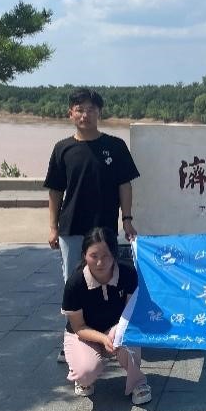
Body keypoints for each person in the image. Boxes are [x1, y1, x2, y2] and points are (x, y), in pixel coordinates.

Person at [44, 87, 140, 283]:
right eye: (79, 109)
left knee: (106, 280)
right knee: (73, 281)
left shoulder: (116, 146)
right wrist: (53, 227)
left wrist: (127, 219)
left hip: (105, 227)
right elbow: (55, 191)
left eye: (91, 109)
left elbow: (125, 185)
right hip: (71, 228)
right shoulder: (62, 148)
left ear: (99, 113)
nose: (85, 115)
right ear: (70, 113)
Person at [62, 226, 151, 402]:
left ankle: (137, 382)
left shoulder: (128, 274)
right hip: (84, 333)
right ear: (84, 255)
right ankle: (82, 375)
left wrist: (116, 330)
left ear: (115, 255)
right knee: (85, 373)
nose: (100, 263)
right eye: (94, 256)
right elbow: (78, 327)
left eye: (106, 256)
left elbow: (131, 313)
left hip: (117, 329)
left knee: (130, 336)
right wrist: (103, 339)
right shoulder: (75, 283)